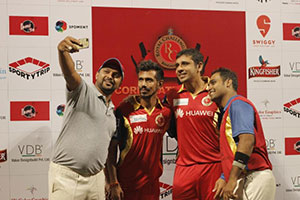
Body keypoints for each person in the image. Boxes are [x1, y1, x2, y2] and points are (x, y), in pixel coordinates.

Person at [49, 36, 124, 200]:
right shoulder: (83, 91)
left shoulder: (112, 113)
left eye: (116, 75)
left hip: (96, 179)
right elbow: (70, 74)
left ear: (120, 83)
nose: (110, 76)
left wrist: (110, 181)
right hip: (67, 176)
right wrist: (62, 52)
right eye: (106, 71)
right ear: (97, 74)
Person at [105, 60, 171, 200]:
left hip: (152, 187)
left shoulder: (166, 112)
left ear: (160, 84)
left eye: (149, 80)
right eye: (141, 80)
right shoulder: (124, 110)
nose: (143, 85)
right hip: (126, 186)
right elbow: (110, 149)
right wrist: (113, 182)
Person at [164, 48, 224, 200]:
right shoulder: (172, 95)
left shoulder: (216, 92)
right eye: (177, 65)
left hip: (214, 166)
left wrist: (225, 175)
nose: (179, 69)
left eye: (185, 64)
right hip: (184, 169)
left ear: (199, 66)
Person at [208, 67, 276, 200]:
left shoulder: (237, 103)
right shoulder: (226, 111)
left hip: (255, 177)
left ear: (228, 83)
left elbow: (247, 141)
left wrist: (232, 179)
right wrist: (224, 177)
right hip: (243, 178)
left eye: (213, 82)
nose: (209, 87)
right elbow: (232, 151)